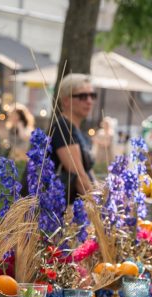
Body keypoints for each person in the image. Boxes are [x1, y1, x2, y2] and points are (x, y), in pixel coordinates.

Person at [47, 73, 96, 206]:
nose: (89, 101)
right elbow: (79, 178)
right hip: (58, 213)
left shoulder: (77, 131)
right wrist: (101, 212)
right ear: (66, 100)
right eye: (82, 96)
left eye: (92, 95)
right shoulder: (63, 127)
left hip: (76, 210)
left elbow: (88, 174)